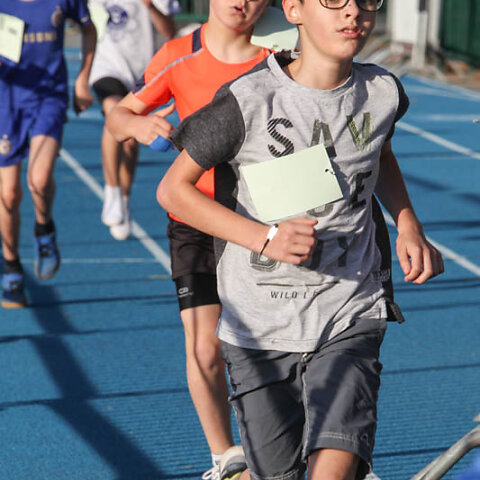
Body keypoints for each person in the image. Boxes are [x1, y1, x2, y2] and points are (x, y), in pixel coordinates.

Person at [157, 0, 445, 479]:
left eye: (365, 1)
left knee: (335, 460)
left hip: (350, 308)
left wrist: (407, 221)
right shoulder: (248, 100)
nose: (353, 12)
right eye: (333, 0)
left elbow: (379, 151)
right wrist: (264, 238)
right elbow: (172, 190)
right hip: (259, 325)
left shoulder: (382, 91)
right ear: (293, 9)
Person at [106, 0, 272, 477]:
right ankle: (226, 457)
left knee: (270, 346)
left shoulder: (278, 59)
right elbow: (119, 116)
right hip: (195, 217)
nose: (241, 2)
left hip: (258, 219)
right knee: (203, 347)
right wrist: (138, 124)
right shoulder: (178, 55)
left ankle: (286, 445)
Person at [0, 0, 96, 308]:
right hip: (6, 102)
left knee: (38, 180)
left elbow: (89, 29)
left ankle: (44, 227)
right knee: (8, 194)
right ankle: (11, 266)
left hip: (48, 99)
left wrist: (82, 79)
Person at [89, 0, 179, 240]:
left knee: (130, 142)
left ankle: (124, 198)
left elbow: (170, 31)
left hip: (142, 73)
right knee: (114, 113)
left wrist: (150, 6)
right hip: (106, 68)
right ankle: (112, 191)